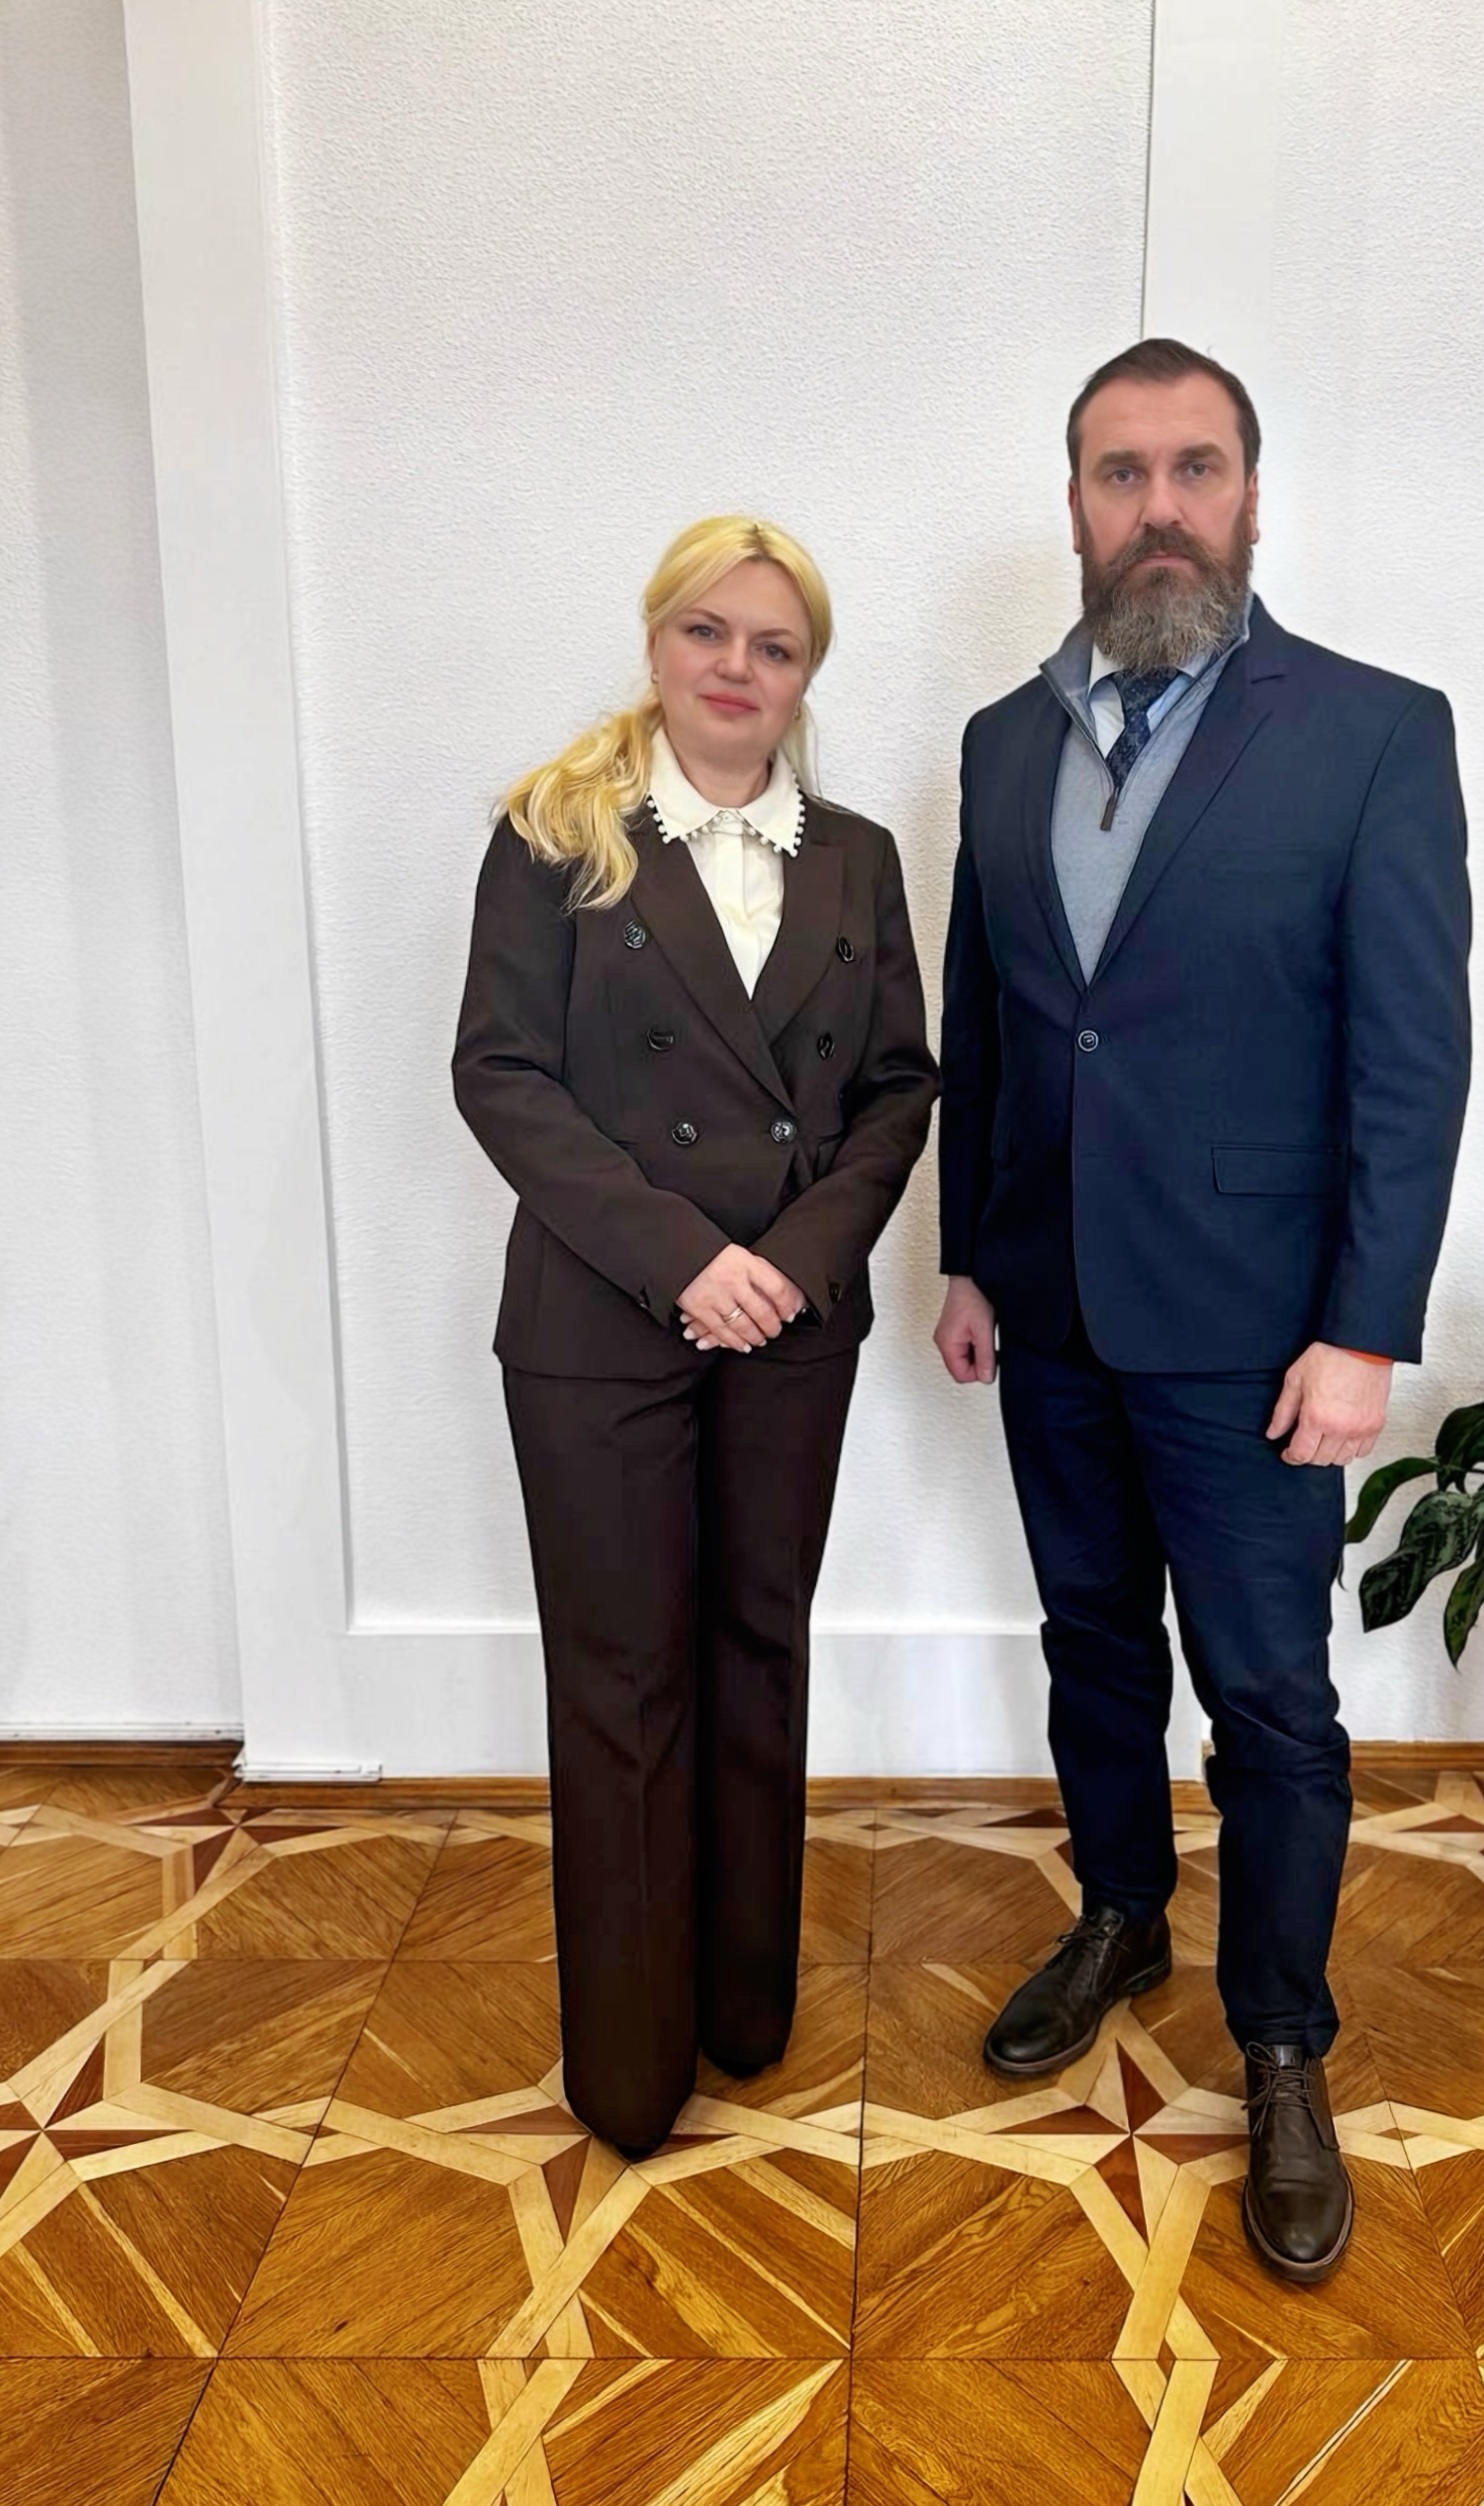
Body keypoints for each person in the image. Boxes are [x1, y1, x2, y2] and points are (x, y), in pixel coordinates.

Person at [934, 340, 1470, 2284]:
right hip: (1050, 1306)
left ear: (1250, 493)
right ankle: (1120, 1915)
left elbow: (1410, 1057)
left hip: (1259, 1331)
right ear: (1076, 503)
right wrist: (966, 1250)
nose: (1157, 505)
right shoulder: (1000, 741)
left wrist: (1367, 1327)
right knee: (1091, 1644)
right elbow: (989, 1018)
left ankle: (1283, 2036)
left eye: (1194, 467)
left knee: (1267, 1699)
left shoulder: (1374, 733)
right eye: (1120, 471)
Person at [455, 515, 937, 2158]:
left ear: (807, 675)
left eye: (774, 645)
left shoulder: (857, 856)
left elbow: (897, 1088)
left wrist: (789, 1262)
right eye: (708, 633)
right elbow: (501, 1074)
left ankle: (742, 2002)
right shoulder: (555, 833)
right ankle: (632, 2060)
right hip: (599, 1321)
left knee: (755, 1647)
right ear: (659, 642)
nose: (738, 667)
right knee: (621, 1679)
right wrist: (686, 1261)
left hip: (790, 1321)